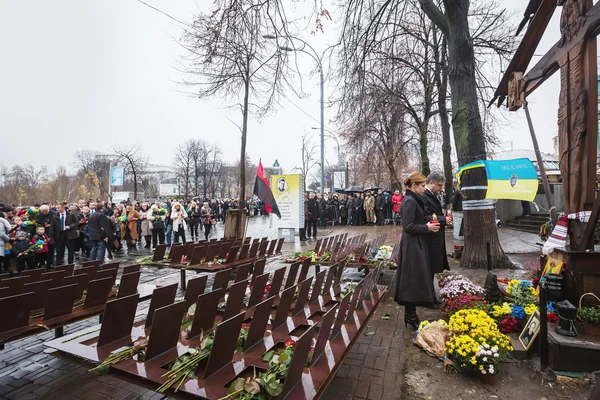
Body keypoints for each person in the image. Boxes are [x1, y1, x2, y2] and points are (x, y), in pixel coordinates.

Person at [394, 172, 440, 330]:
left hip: (416, 243)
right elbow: (408, 226)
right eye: (421, 186)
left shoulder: (414, 199)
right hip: (412, 245)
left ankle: (411, 315)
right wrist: (426, 228)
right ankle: (410, 316)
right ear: (413, 186)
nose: (423, 188)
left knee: (413, 281)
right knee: (411, 281)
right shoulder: (409, 201)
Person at [421, 172, 450, 279]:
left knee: (433, 269)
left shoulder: (432, 195)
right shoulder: (424, 196)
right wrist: (443, 220)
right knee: (430, 269)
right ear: (431, 182)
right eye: (439, 185)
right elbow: (425, 217)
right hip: (430, 238)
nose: (441, 188)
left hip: (435, 236)